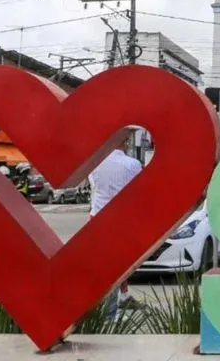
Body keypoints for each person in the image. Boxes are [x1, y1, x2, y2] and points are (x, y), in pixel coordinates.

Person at [90, 129, 143, 311]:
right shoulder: (133, 164)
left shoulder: (95, 163)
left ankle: (120, 298)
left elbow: (94, 186)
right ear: (125, 142)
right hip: (122, 219)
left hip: (97, 217)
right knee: (120, 262)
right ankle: (114, 303)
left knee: (104, 263)